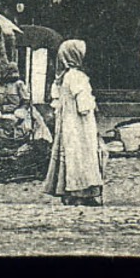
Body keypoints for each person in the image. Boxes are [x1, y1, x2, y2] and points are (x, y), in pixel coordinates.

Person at [44, 39, 104, 205]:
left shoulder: (63, 77)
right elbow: (84, 106)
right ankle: (81, 193)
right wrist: (92, 103)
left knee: (70, 155)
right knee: (82, 155)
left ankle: (68, 191)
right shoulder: (78, 77)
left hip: (67, 123)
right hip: (80, 124)